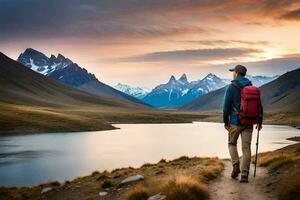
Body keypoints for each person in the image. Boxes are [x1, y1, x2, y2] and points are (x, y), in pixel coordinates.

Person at [223, 65, 263, 183]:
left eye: (233, 72)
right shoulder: (251, 87)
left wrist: (226, 122)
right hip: (249, 122)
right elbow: (259, 106)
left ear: (236, 73)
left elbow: (226, 107)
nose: (232, 74)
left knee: (231, 144)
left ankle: (236, 165)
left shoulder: (231, 87)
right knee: (246, 149)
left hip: (235, 122)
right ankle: (244, 175)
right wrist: (260, 121)